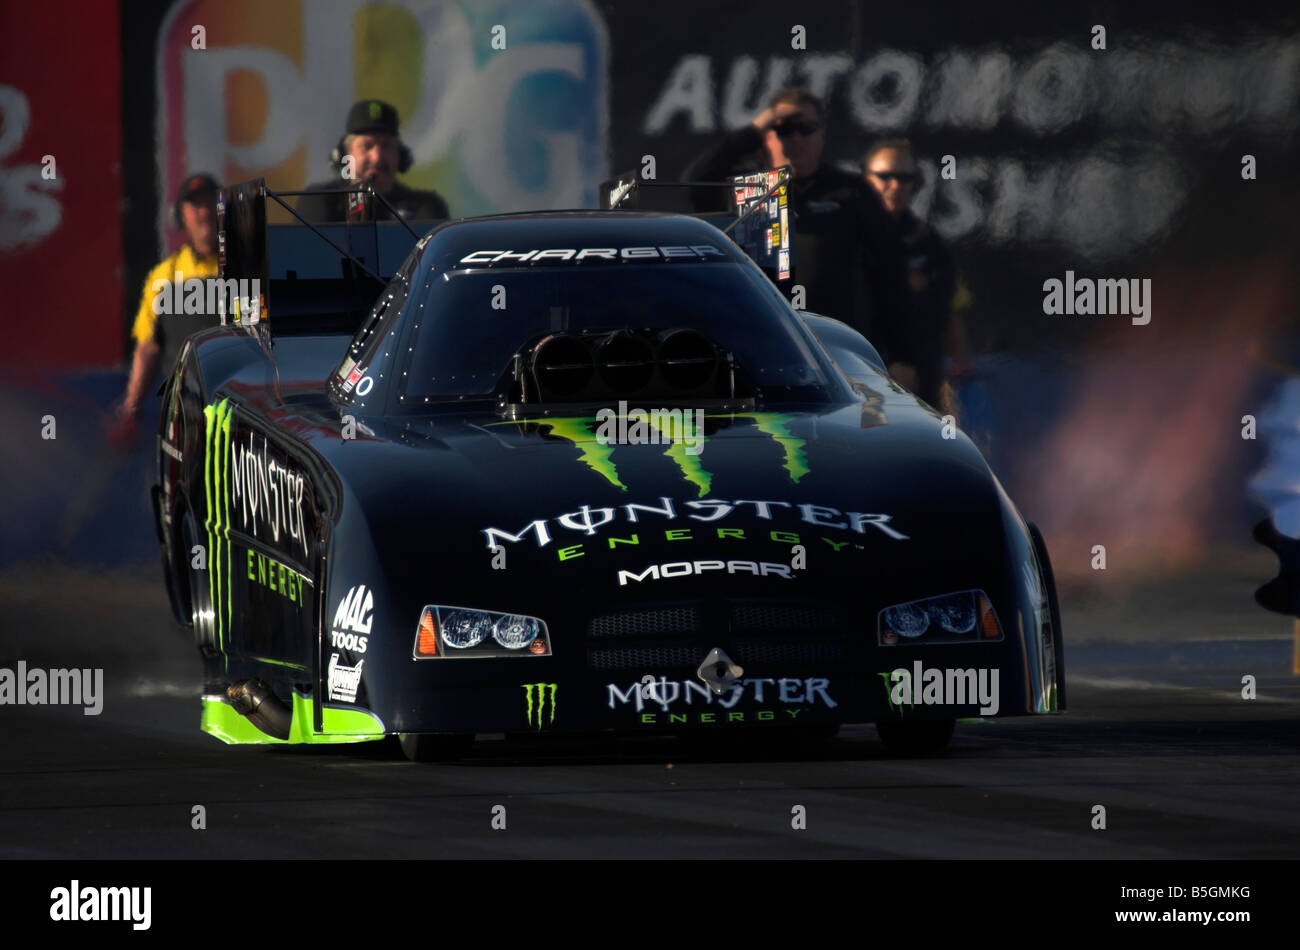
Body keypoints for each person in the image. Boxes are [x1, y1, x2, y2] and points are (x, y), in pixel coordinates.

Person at [682, 87, 917, 385]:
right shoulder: (751, 188)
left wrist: (902, 356)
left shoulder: (851, 191)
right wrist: (756, 127)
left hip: (836, 348)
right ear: (766, 136)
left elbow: (891, 275)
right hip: (762, 347)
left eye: (806, 129)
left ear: (822, 135)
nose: (796, 139)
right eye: (784, 129)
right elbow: (694, 183)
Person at [864, 138, 970, 409]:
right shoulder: (846, 239)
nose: (895, 186)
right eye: (885, 176)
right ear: (866, 179)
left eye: (904, 177)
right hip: (859, 378)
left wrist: (956, 378)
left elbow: (950, 312)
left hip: (920, 383)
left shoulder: (929, 243)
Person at [115, 173, 222, 431]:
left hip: (239, 409)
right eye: (196, 205)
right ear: (180, 216)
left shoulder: (249, 265)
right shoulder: (164, 277)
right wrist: (131, 408)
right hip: (185, 413)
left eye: (211, 203)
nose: (205, 212)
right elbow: (148, 348)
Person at [297, 99, 450, 223]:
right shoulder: (319, 201)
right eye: (367, 146)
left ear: (401, 156)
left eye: (386, 146)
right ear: (345, 156)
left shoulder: (426, 208)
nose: (377, 157)